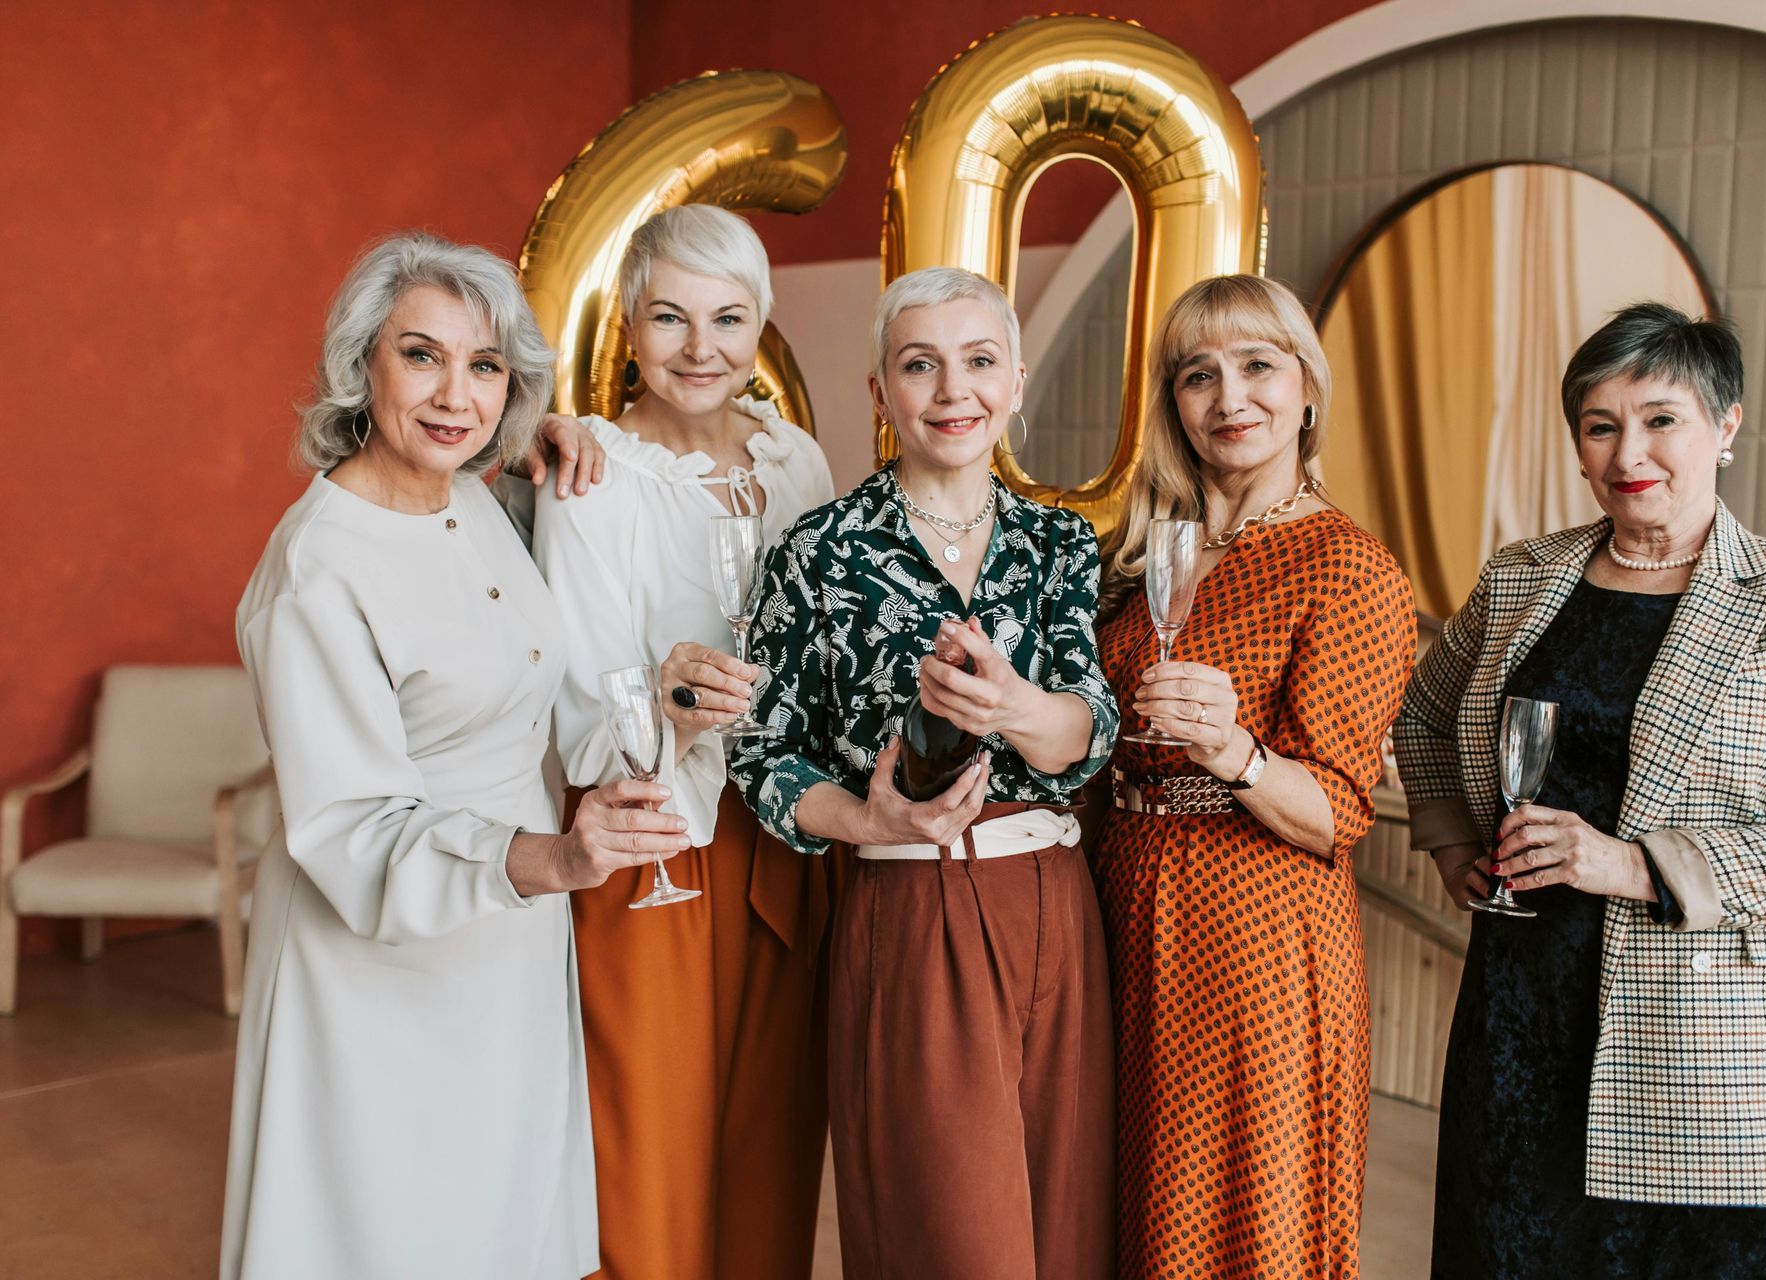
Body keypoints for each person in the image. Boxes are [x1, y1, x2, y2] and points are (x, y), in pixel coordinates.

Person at [1395, 302, 1766, 1279]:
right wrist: (1454, 838)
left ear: (1727, 426)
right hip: (1523, 1016)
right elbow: (1423, 714)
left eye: (1661, 417)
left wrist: (1631, 864)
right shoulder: (1521, 575)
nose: (1631, 449)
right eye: (1601, 423)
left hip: (1718, 1048)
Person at [221, 232, 692, 1280]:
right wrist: (561, 860)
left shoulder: (477, 497)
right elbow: (356, 829)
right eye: (420, 355)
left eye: (485, 367)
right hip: (374, 964)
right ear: (362, 365)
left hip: (508, 949)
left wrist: (546, 442)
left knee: (500, 1225)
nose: (455, 394)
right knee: (387, 1233)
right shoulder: (317, 570)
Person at [730, 266, 1118, 1280]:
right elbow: (762, 749)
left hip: (1056, 904)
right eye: (920, 364)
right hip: (909, 904)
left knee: (1068, 1234)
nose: (954, 389)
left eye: (979, 361)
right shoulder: (816, 552)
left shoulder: (1059, 542)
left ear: (1017, 380)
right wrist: (869, 820)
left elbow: (1090, 724)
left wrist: (1017, 709)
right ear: (879, 393)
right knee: (950, 1239)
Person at [530, 204, 836, 1280]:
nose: (700, 347)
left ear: (762, 323)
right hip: (651, 836)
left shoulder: (796, 458)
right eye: (670, 316)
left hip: (785, 832)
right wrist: (659, 698)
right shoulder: (589, 474)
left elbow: (818, 635)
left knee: (770, 1140)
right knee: (646, 1148)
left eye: (727, 317)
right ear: (628, 322)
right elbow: (572, 697)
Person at [1092, 273, 1417, 1279]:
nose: (1229, 395)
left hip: (1255, 928)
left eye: (1257, 365)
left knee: (1234, 1213)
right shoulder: (1144, 554)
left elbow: (1336, 816)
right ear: (1173, 405)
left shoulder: (1348, 566)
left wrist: (1233, 750)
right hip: (1120, 895)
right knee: (1123, 1198)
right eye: (1199, 374)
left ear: (1308, 390)